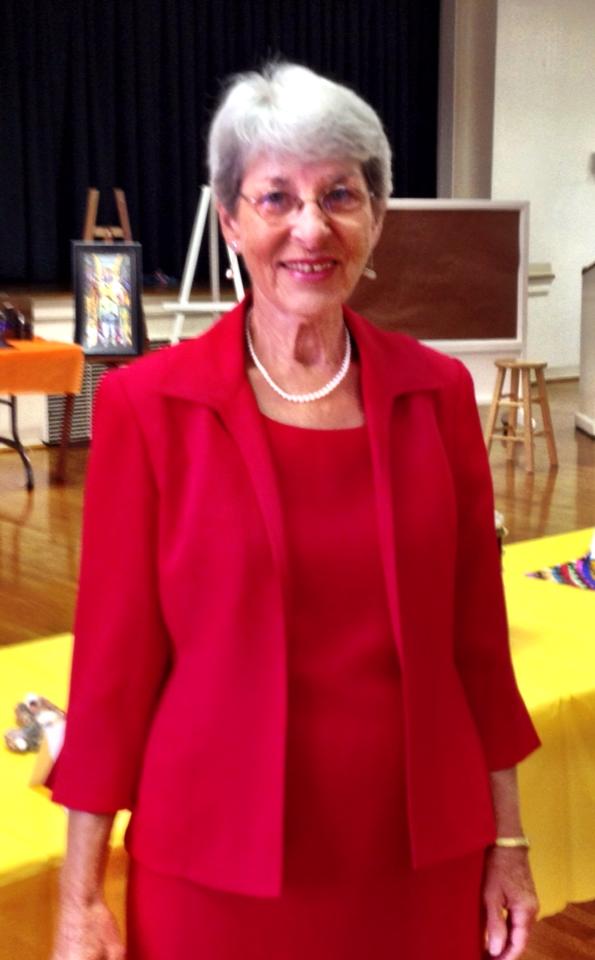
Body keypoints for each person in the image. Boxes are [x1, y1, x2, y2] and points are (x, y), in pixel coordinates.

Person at [49, 62, 540, 960]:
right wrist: (79, 898)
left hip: (418, 859)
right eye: (276, 197)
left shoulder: (436, 395)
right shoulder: (148, 408)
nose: (310, 228)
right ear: (230, 220)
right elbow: (112, 672)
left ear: (375, 216)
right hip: (214, 868)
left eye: (339, 195)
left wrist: (507, 841)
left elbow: (476, 645)